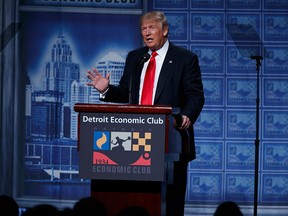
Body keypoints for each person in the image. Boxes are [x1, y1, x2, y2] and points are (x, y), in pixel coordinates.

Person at [87, 11, 204, 216]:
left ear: (165, 30)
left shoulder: (185, 59)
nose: (147, 33)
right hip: (136, 142)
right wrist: (106, 89)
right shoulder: (135, 58)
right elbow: (126, 93)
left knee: (171, 205)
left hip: (171, 141)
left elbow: (195, 95)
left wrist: (186, 116)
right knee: (137, 201)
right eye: (143, 28)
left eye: (152, 28)